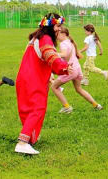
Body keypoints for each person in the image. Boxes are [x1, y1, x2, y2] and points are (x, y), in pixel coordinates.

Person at [15, 13, 73, 155]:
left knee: (28, 109)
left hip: (24, 78)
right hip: (33, 80)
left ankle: (29, 137)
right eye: (58, 26)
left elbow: (41, 59)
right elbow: (50, 56)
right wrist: (63, 67)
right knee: (37, 108)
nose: (60, 29)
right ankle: (22, 142)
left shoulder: (35, 39)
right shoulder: (46, 39)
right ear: (51, 26)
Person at [51, 25, 103, 113]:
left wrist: (52, 54)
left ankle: (67, 107)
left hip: (70, 70)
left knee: (54, 87)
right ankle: (96, 105)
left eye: (57, 34)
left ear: (63, 34)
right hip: (77, 69)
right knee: (79, 89)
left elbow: (64, 54)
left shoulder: (63, 43)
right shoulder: (70, 41)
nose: (55, 36)